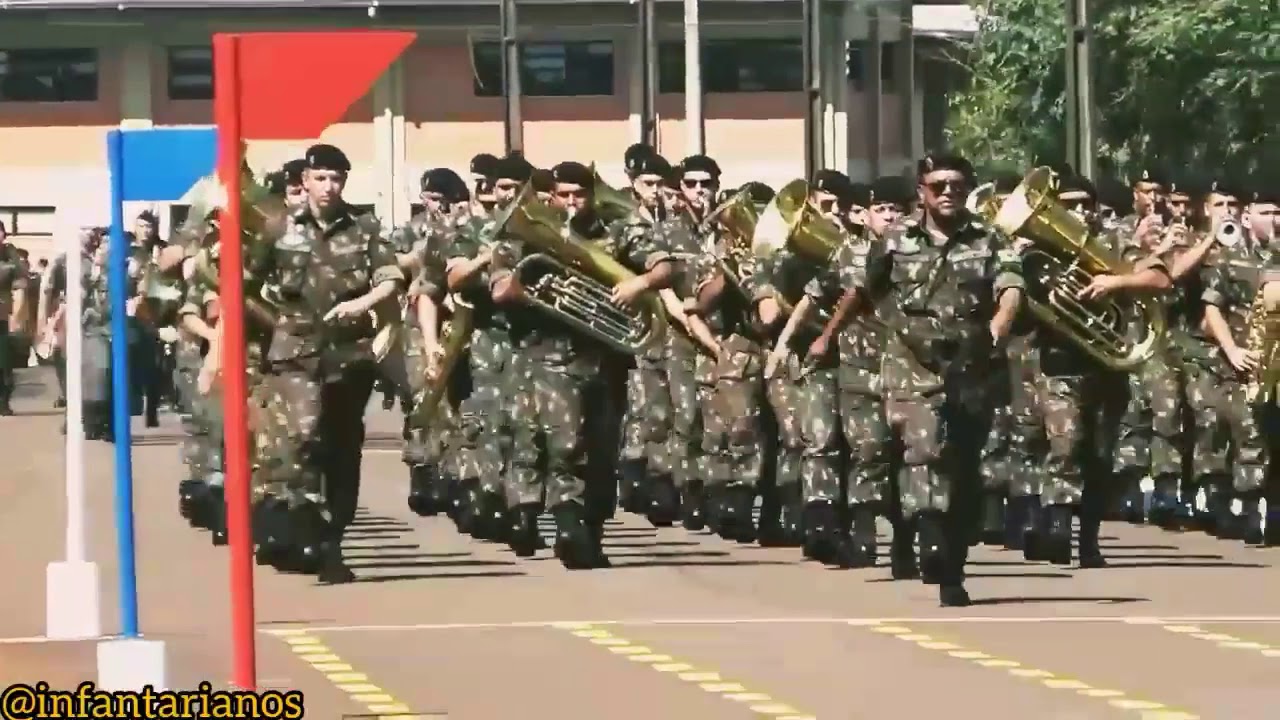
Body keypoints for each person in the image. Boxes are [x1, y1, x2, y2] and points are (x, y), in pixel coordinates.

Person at [248, 143, 404, 584]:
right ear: (306, 181)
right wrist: (272, 323)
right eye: (321, 178)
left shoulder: (364, 227)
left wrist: (363, 305)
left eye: (337, 178)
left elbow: (390, 278)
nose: (329, 187)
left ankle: (332, 543)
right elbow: (245, 285)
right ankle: (298, 533)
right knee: (299, 441)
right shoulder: (278, 228)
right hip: (294, 355)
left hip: (347, 357)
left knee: (340, 449)